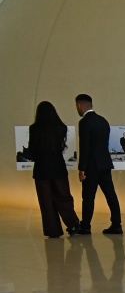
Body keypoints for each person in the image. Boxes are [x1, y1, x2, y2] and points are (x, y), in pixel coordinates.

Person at [27, 101, 81, 238]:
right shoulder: (61, 127)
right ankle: (73, 224)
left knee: (46, 201)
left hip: (42, 168)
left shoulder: (34, 128)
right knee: (64, 197)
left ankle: (53, 230)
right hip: (58, 166)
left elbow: (32, 150)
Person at [75, 93, 121, 235]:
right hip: (105, 163)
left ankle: (85, 225)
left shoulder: (84, 122)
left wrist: (81, 168)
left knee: (88, 197)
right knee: (110, 194)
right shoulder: (103, 121)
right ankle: (117, 224)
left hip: (91, 165)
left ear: (79, 105)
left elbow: (85, 146)